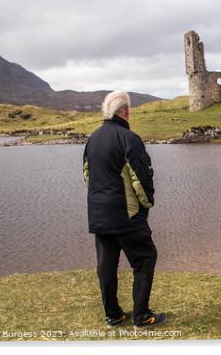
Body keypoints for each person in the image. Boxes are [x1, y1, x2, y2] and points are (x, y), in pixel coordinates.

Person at [82, 90, 166, 328]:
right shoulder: (129, 139)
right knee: (145, 259)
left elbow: (87, 176)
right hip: (127, 215)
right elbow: (142, 179)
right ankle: (141, 316)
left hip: (99, 215)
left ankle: (114, 315)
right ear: (126, 111)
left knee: (106, 265)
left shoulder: (93, 139)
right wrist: (146, 206)